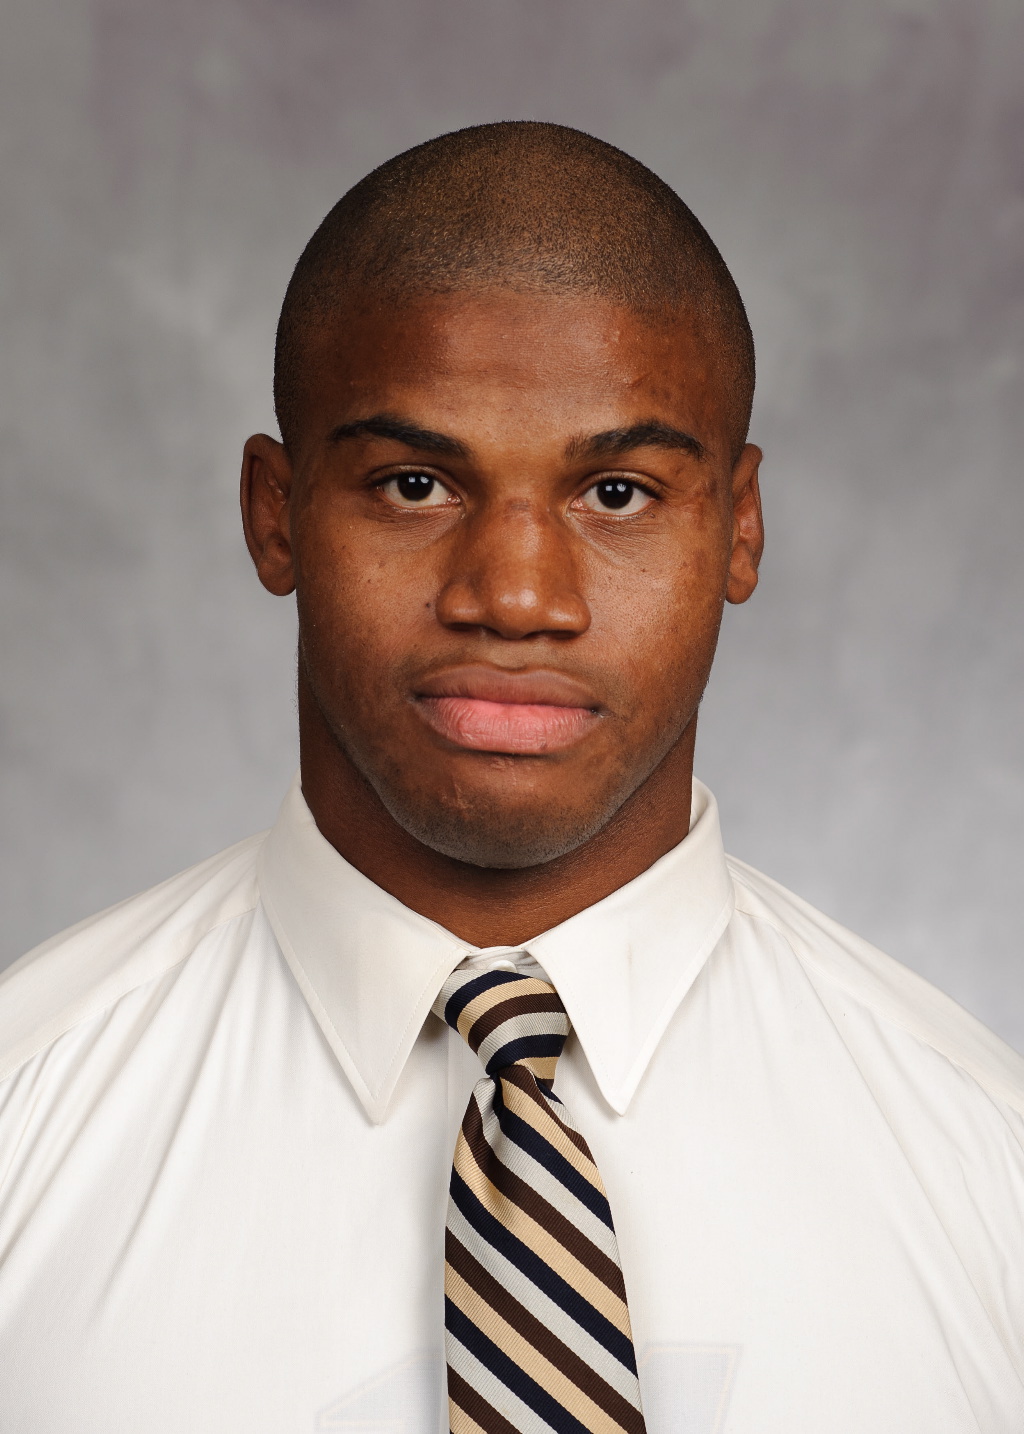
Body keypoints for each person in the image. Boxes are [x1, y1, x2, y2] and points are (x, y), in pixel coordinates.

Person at [0, 121, 1021, 1434]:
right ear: (274, 513)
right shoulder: (22, 1114)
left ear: (740, 526)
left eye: (619, 492)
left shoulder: (989, 1164)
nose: (518, 595)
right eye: (414, 483)